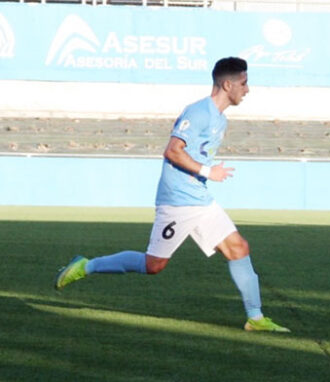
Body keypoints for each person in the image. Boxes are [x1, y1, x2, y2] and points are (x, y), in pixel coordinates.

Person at [54, 57, 290, 332]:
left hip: (199, 198)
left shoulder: (219, 120)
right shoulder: (199, 112)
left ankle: (256, 318)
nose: (247, 89)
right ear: (228, 85)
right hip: (178, 201)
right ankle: (87, 265)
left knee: (238, 247)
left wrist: (205, 174)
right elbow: (172, 150)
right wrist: (207, 171)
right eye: (244, 83)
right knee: (154, 264)